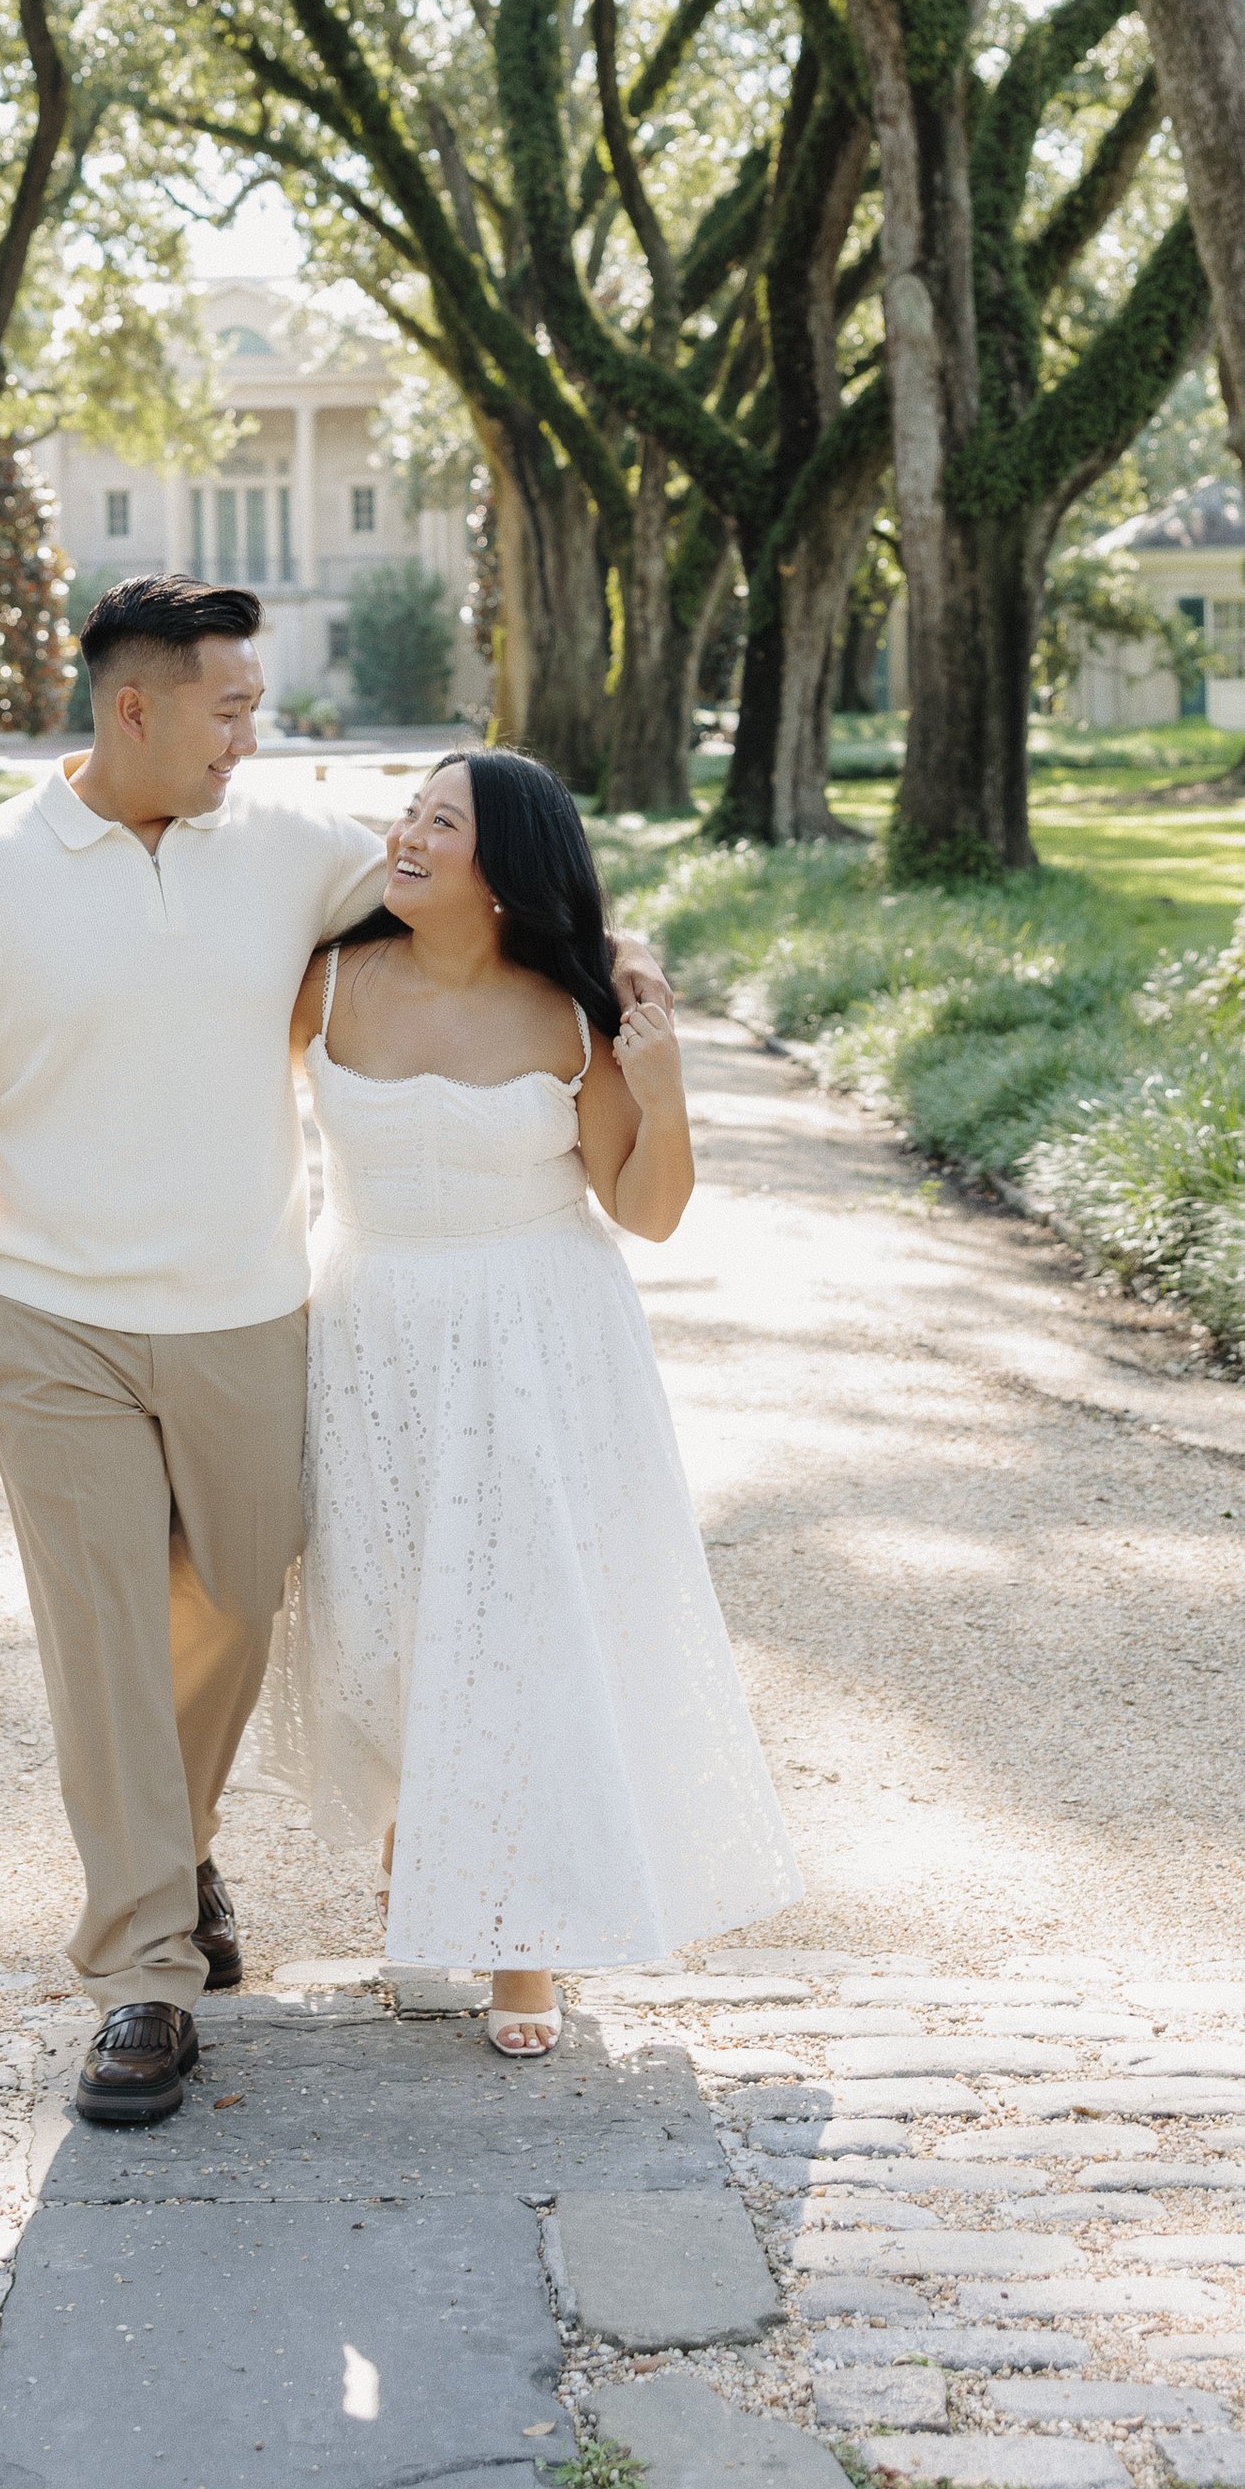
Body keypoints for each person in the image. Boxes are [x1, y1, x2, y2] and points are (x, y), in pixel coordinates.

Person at [0, 573, 669, 2127]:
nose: (252, 732)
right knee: (107, 1630)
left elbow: (490, 882)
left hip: (248, 1311)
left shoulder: (292, 847)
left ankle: (172, 1851)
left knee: (243, 1600)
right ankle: (145, 1976)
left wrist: (625, 955)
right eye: (230, 706)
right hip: (54, 1314)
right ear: (136, 707)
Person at [257, 748, 801, 2055]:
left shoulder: (569, 1015)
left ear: (502, 870)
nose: (406, 832)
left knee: (521, 1625)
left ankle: (523, 1941)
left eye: (441, 821)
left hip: (535, 1339)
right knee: (385, 1606)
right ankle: (425, 1841)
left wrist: (663, 1093)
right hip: (371, 1326)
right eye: (410, 810)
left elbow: (646, 1209)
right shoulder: (325, 982)